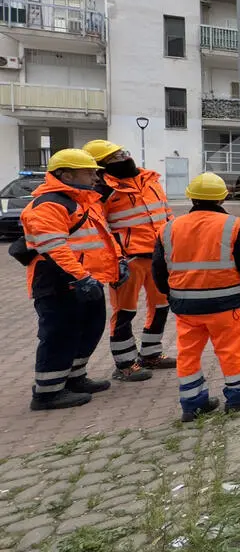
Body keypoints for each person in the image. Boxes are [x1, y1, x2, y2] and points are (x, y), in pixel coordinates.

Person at [153, 172, 240, 422]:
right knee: (230, 350)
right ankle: (238, 397)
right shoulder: (234, 225)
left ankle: (193, 404)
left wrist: (169, 294)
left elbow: (158, 269)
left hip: (186, 307)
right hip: (224, 305)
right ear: (222, 198)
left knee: (187, 353)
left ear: (191, 197)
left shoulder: (169, 228)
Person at [22, 149, 127, 411]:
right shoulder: (49, 205)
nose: (95, 177)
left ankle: (74, 377)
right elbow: (55, 248)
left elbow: (103, 236)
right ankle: (48, 393)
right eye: (89, 172)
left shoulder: (84, 201)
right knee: (59, 335)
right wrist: (80, 277)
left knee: (89, 329)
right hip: (60, 282)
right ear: (66, 175)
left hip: (86, 279)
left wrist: (118, 263)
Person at [84, 140, 176, 380]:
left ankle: (151, 354)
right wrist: (117, 257)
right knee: (125, 311)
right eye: (114, 157)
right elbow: (99, 228)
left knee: (161, 306)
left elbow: (166, 214)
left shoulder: (151, 181)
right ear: (100, 166)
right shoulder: (102, 191)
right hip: (128, 260)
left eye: (122, 153)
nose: (123, 158)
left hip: (158, 257)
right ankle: (125, 364)